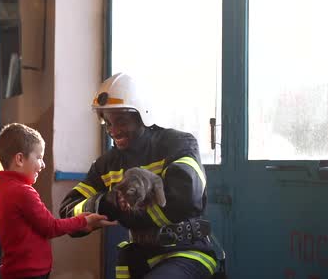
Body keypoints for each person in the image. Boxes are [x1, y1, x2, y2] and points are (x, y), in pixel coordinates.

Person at [59, 73, 218, 279]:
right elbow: (67, 212)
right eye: (107, 122)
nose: (113, 130)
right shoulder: (106, 165)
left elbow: (184, 199)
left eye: (121, 121)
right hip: (137, 259)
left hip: (187, 252)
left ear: (142, 115)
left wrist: (123, 211)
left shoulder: (178, 144)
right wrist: (104, 202)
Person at [0, 123, 117, 279]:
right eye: (39, 157)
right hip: (29, 273)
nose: (43, 165)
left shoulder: (5, 188)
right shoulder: (22, 191)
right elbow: (50, 227)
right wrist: (83, 221)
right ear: (19, 159)